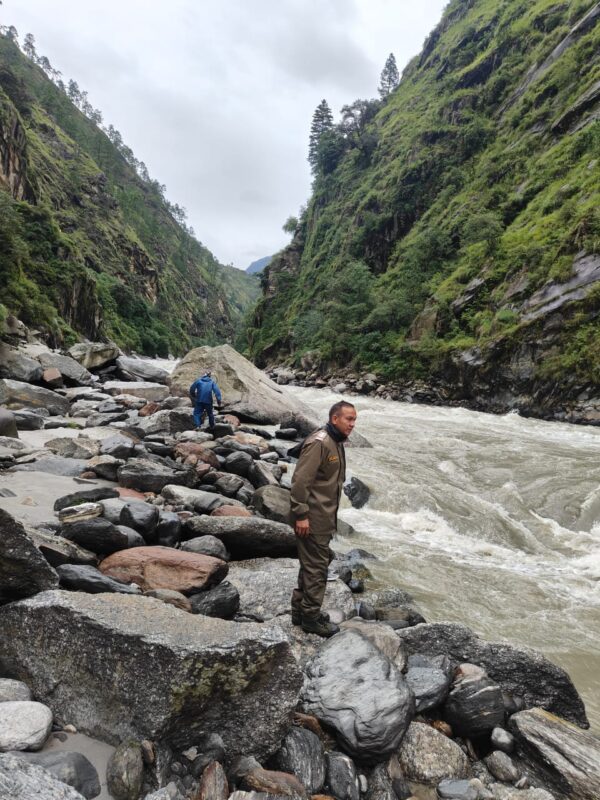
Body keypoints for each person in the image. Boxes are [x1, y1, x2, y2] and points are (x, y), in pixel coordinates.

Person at [290, 400, 357, 637]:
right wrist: (301, 515)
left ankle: (299, 610)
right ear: (334, 418)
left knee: (311, 564)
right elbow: (300, 481)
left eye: (354, 419)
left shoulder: (336, 442)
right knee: (317, 568)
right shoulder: (320, 443)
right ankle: (310, 617)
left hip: (324, 517)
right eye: (348, 419)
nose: (352, 424)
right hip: (312, 518)